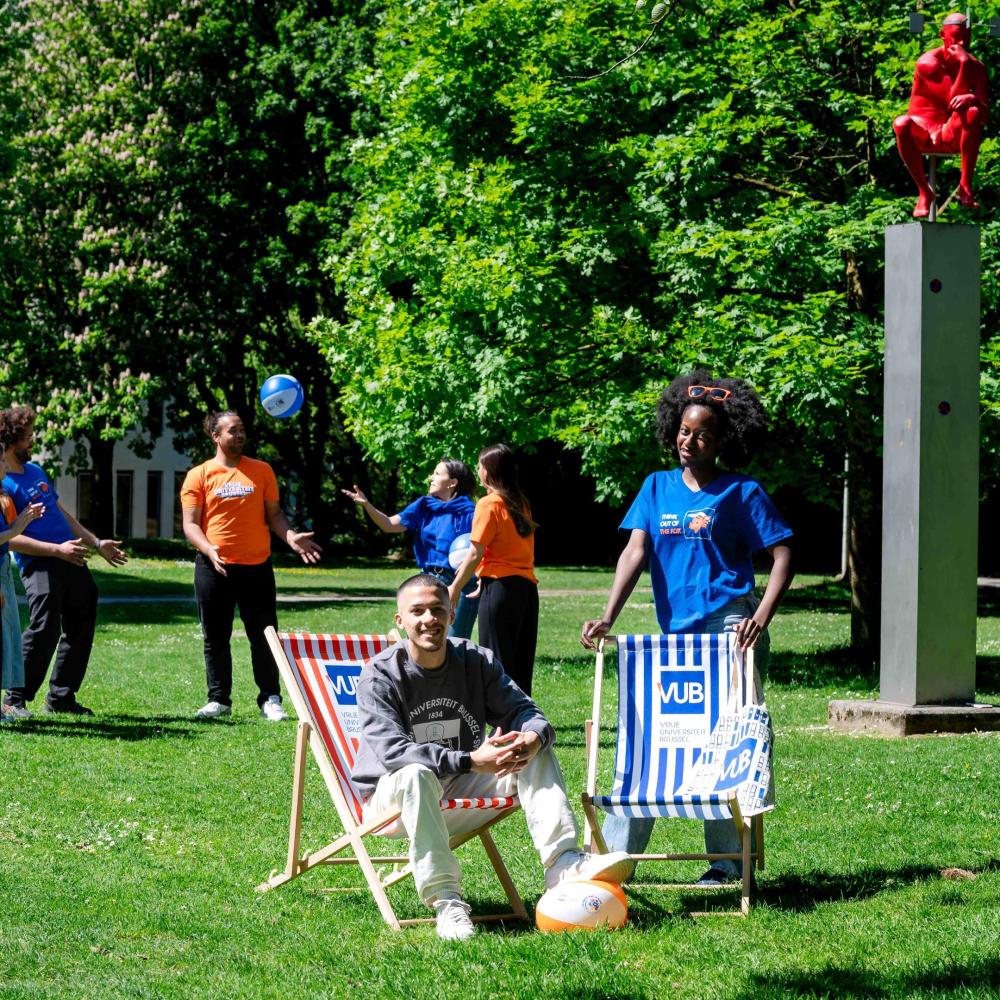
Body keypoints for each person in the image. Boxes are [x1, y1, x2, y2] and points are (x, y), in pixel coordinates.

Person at [580, 372, 793, 886]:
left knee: (728, 742)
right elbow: (635, 551)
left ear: (721, 441)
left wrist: (759, 618)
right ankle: (613, 864)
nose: (688, 440)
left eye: (701, 434)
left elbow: (784, 554)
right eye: (683, 430)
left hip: (730, 627)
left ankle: (727, 864)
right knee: (652, 740)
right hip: (674, 637)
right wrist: (609, 615)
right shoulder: (656, 487)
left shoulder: (742, 491)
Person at [352, 573, 632, 941]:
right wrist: (470, 760)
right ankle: (447, 901)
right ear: (400, 620)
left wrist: (532, 738)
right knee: (416, 773)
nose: (429, 619)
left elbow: (526, 712)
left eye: (437, 610)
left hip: (458, 788)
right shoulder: (380, 675)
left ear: (452, 614)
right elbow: (393, 752)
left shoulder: (474, 660)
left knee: (532, 751)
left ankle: (562, 863)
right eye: (417, 611)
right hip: (392, 805)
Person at [180, 411, 322, 721]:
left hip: (257, 567)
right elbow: (190, 524)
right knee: (215, 637)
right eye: (233, 430)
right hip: (214, 567)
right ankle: (219, 700)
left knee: (265, 635)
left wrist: (291, 537)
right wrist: (208, 549)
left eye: (242, 429)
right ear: (216, 436)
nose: (240, 435)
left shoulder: (261, 470)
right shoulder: (199, 475)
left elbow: (275, 515)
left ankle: (270, 698)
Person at [0, 406, 128, 717]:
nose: (33, 441)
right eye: (28, 437)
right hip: (39, 561)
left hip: (71, 555)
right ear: (12, 441)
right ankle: (15, 698)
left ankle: (61, 696)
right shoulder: (4, 482)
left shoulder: (36, 471)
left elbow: (60, 513)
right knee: (45, 627)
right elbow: (10, 538)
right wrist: (56, 550)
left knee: (82, 620)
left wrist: (96, 543)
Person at [341, 459, 480, 639]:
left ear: (452, 483)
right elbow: (388, 524)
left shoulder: (472, 512)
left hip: (461, 582)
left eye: (437, 474)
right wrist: (367, 504)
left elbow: (480, 551)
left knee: (454, 641)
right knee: (421, 638)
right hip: (428, 580)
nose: (430, 478)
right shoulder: (424, 506)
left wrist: (458, 586)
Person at [448, 444, 538, 695]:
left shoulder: (488, 504)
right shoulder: (521, 503)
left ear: (489, 471)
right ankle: (523, 716)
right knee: (521, 665)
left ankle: (501, 718)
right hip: (526, 590)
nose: (478, 470)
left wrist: (455, 587)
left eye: (480, 466)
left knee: (497, 663)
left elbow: (474, 553)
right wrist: (483, 577)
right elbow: (511, 550)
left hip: (500, 591)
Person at [894, 12, 988, 217]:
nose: (962, 43)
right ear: (942, 36)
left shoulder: (978, 68)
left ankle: (965, 184)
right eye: (956, 37)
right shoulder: (928, 63)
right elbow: (952, 100)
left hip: (951, 133)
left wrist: (973, 99)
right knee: (901, 123)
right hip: (923, 133)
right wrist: (964, 65)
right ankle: (924, 191)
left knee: (972, 112)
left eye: (966, 38)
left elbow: (984, 115)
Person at [0, 460, 44, 720]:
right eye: (1, 460)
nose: (5, 466)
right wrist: (16, 529)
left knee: (6, 637)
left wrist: (20, 522)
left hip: (4, 568)